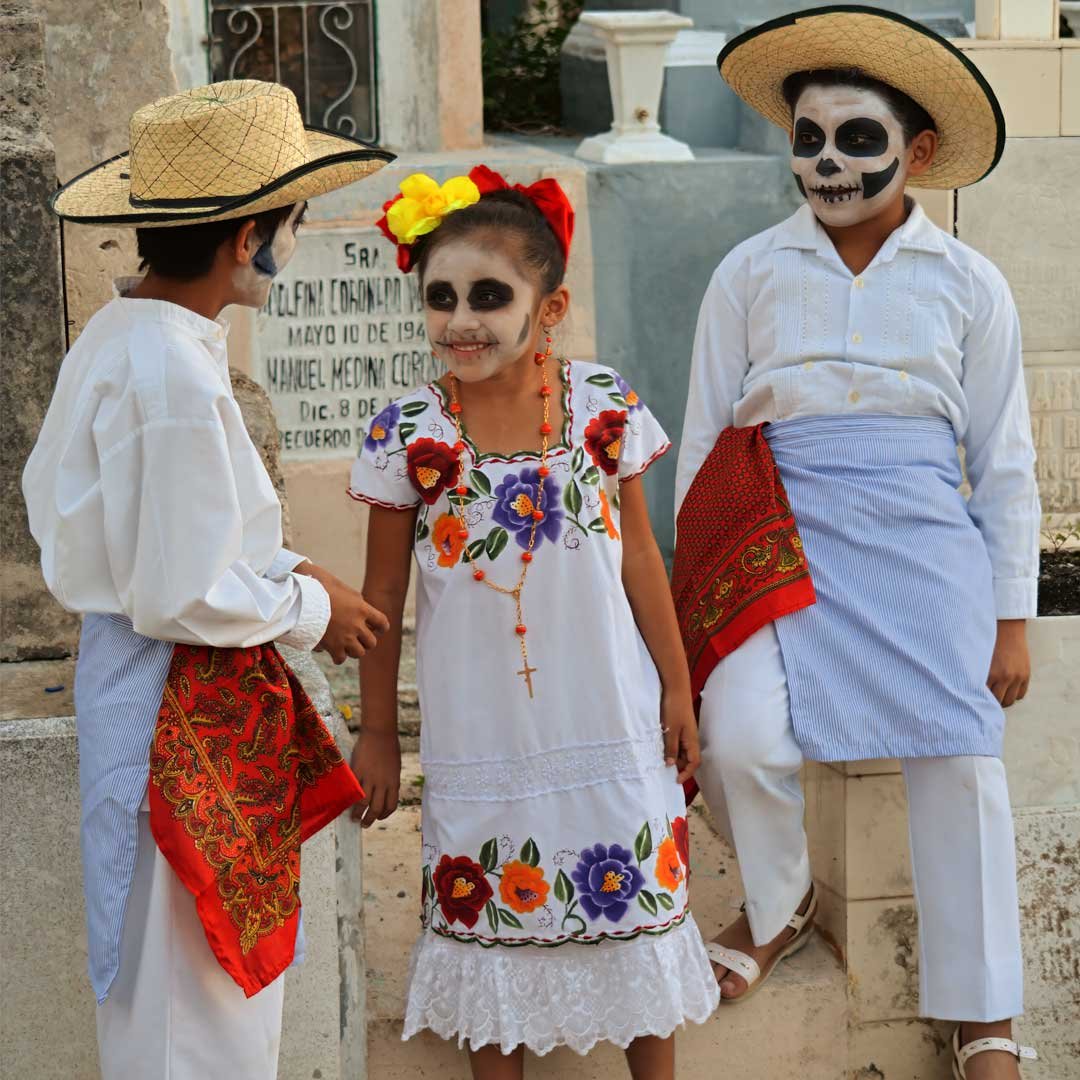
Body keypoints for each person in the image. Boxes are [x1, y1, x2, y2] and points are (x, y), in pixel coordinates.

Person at [674, 8, 1040, 1079]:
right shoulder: (748, 272)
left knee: (963, 756)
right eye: (810, 139)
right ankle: (779, 906)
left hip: (925, 543)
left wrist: (1010, 619)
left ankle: (981, 1013)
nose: (828, 162)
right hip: (774, 533)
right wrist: (688, 602)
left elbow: (1005, 458)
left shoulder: (968, 284)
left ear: (919, 153)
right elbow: (705, 435)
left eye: (858, 139)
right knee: (737, 735)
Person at [22, 80, 394, 1079]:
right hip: (174, 699)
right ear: (249, 239)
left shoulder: (128, 337)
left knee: (186, 1008)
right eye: (291, 224)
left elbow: (154, 534)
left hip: (152, 688)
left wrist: (289, 567)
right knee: (195, 1026)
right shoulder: (173, 378)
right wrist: (309, 605)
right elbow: (180, 591)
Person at [348, 166, 719, 1079]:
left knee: (634, 915)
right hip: (483, 736)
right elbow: (382, 601)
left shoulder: (603, 407)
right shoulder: (406, 435)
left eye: (488, 295)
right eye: (440, 298)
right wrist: (380, 737)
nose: (460, 319)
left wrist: (677, 686)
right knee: (490, 932)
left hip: (611, 718)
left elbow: (638, 558)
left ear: (548, 309)